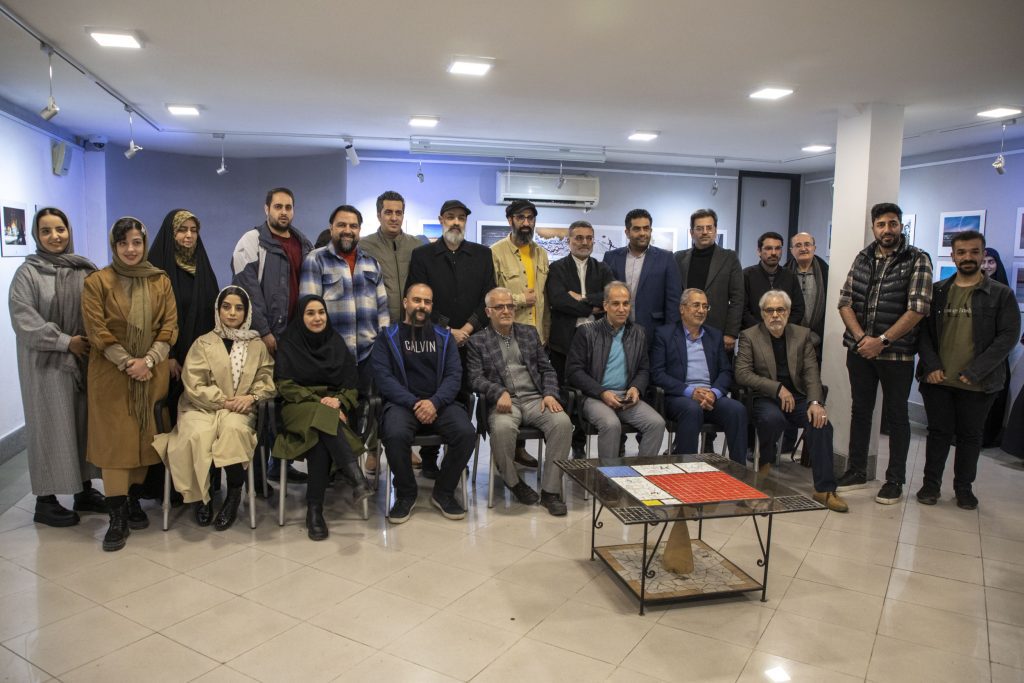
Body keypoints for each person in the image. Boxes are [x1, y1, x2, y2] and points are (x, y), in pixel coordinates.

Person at [81, 217, 178, 551]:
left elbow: (170, 326)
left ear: (144, 244)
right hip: (111, 376)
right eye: (123, 243)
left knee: (143, 442)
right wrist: (128, 362)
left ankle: (133, 500)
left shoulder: (160, 280)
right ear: (114, 246)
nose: (131, 249)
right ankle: (117, 517)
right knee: (115, 447)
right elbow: (96, 330)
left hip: (151, 374)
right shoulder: (97, 282)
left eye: (136, 242)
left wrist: (147, 361)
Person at [9, 207, 104, 527]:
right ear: (36, 236)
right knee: (50, 429)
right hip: (46, 366)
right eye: (46, 231)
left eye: (60, 229)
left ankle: (84, 491)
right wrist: (66, 342)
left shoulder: (83, 269)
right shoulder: (28, 274)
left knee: (82, 427)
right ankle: (45, 501)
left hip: (83, 363)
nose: (55, 236)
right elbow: (25, 321)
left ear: (69, 231)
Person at [153, 286, 275, 529]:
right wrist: (223, 401)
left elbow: (266, 380)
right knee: (197, 434)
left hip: (239, 408)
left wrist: (251, 397)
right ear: (218, 310)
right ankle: (202, 496)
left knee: (233, 432)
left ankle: (233, 495)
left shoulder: (257, 345)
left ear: (247, 312)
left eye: (239, 308)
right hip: (200, 406)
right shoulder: (203, 342)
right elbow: (194, 383)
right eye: (226, 307)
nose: (232, 313)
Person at [836, 202, 933, 504]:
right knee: (861, 410)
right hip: (860, 351)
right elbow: (845, 301)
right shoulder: (863, 258)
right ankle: (856, 470)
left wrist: (882, 341)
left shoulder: (917, 259)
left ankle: (894, 480)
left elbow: (918, 308)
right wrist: (862, 338)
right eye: (881, 224)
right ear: (873, 227)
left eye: (893, 223)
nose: (887, 229)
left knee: (896, 416)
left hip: (897, 355)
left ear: (900, 226)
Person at [915, 231, 1020, 510]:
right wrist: (931, 366)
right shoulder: (938, 292)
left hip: (978, 383)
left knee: (970, 437)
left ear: (983, 255)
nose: (968, 257)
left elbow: (1008, 336)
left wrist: (976, 371)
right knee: (938, 434)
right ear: (953, 256)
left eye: (974, 251)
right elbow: (922, 333)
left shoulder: (1001, 294)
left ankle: (964, 489)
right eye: (961, 252)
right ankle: (930, 486)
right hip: (938, 380)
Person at [734, 290, 849, 512]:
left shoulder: (802, 335)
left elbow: (811, 373)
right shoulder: (749, 336)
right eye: (769, 310)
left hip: (797, 397)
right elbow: (742, 373)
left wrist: (815, 403)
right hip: (765, 397)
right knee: (772, 419)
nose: (775, 315)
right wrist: (777, 388)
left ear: (787, 312)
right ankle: (765, 461)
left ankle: (824, 489)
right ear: (762, 313)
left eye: (780, 310)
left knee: (821, 424)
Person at [372, 283, 476, 523]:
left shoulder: (444, 337)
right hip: (402, 404)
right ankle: (406, 493)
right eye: (417, 300)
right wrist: (415, 403)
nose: (422, 306)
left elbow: (454, 376)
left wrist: (434, 402)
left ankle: (444, 492)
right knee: (395, 434)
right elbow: (384, 378)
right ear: (405, 303)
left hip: (440, 403)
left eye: (427, 302)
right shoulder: (387, 337)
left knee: (466, 433)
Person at [406, 200, 496, 475]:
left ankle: (455, 457)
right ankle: (429, 458)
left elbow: (488, 298)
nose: (456, 222)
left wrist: (466, 329)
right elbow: (417, 298)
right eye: (450, 217)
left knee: (463, 396)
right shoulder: (422, 255)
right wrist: (447, 330)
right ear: (441, 220)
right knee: (433, 392)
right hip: (432, 339)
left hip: (471, 341)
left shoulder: (482, 254)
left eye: (461, 218)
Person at [272, 295, 372, 541]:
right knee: (324, 417)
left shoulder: (335, 342)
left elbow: (351, 384)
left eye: (321, 312)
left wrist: (339, 401)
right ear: (301, 316)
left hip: (329, 410)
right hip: (298, 408)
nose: (317, 318)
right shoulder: (289, 343)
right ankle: (355, 476)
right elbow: (285, 386)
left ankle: (314, 510)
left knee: (319, 441)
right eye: (310, 313)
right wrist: (322, 402)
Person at [232, 187, 313, 483]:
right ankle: (256, 479)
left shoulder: (303, 243)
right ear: (266, 208)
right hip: (260, 339)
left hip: (292, 341)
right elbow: (247, 291)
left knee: (283, 404)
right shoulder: (251, 241)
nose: (284, 212)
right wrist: (264, 331)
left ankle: (280, 465)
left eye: (288, 207)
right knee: (259, 406)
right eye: (278, 206)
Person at [466, 288, 571, 515]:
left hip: (535, 399)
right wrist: (498, 392)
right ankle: (513, 482)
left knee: (562, 423)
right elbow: (475, 378)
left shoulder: (529, 333)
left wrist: (550, 394)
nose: (506, 311)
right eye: (499, 307)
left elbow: (547, 369)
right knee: (502, 428)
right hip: (505, 403)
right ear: (488, 312)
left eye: (510, 306)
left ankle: (550, 492)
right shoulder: (477, 341)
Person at [145, 209, 220, 500]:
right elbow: (152, 319)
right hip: (168, 361)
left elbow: (213, 315)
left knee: (201, 423)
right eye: (181, 230)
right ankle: (169, 488)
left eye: (193, 230)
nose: (188, 235)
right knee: (169, 422)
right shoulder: (156, 270)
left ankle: (204, 487)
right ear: (170, 234)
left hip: (200, 361)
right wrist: (168, 355)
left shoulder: (203, 267)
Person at [566, 282, 665, 461]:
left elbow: (643, 368)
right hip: (594, 397)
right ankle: (607, 475)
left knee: (656, 424)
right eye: (616, 303)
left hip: (625, 397)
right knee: (611, 424)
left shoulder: (639, 333)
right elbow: (574, 371)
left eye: (626, 303)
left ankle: (641, 473)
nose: (621, 309)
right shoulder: (586, 332)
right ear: (605, 306)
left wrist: (636, 388)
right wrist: (602, 392)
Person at [651, 288, 748, 462]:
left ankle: (739, 469)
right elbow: (658, 374)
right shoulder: (664, 334)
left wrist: (714, 393)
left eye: (705, 306)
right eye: (696, 305)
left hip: (710, 397)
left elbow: (725, 371)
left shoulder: (714, 335)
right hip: (679, 397)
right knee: (692, 409)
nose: (701, 310)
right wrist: (691, 392)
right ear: (682, 308)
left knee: (737, 409)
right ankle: (687, 468)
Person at [545, 220, 614, 458]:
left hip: (595, 341)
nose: (584, 242)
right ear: (569, 241)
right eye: (579, 238)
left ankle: (579, 444)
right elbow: (558, 300)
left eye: (588, 238)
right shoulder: (557, 268)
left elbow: (608, 296)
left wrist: (581, 299)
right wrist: (592, 305)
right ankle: (562, 443)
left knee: (587, 393)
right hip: (564, 342)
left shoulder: (602, 268)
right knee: (565, 394)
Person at [603, 209, 681, 345]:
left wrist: (670, 335)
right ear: (627, 232)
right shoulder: (611, 257)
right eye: (637, 229)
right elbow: (604, 294)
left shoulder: (666, 258)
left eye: (646, 228)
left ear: (651, 230)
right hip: (616, 332)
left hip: (653, 332)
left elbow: (673, 301)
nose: (642, 233)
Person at [674, 209, 744, 352]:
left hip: (718, 331)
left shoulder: (729, 258)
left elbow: (738, 298)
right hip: (684, 329)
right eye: (699, 228)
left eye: (709, 228)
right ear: (691, 232)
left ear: (715, 231)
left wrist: (731, 332)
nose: (705, 232)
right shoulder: (678, 258)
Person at [359, 191, 426, 330]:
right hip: (378, 324)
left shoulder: (417, 245)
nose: (394, 218)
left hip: (412, 324)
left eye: (398, 213)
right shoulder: (364, 246)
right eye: (388, 212)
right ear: (379, 215)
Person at [491, 199, 550, 343]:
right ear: (510, 220)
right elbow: (490, 298)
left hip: (538, 338)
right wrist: (521, 299)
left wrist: (546, 334)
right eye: (520, 218)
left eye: (530, 218)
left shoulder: (541, 253)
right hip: (509, 338)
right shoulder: (495, 253)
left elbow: (545, 299)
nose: (526, 223)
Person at [741, 231, 805, 331]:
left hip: (784, 333)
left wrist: (781, 329)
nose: (774, 253)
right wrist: (763, 330)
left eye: (778, 248)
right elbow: (742, 309)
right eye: (768, 248)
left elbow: (798, 309)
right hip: (753, 334)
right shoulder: (746, 275)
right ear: (759, 251)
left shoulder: (790, 276)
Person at [980, 247, 1011, 447]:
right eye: (983, 261)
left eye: (991, 261)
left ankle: (987, 437)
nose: (986, 266)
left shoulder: (1004, 292)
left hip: (995, 354)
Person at [786, 231, 830, 352]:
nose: (803, 249)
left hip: (819, 338)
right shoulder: (783, 275)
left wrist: (817, 335)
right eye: (798, 245)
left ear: (814, 248)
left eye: (807, 244)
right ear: (792, 250)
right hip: (789, 337)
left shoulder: (826, 274)